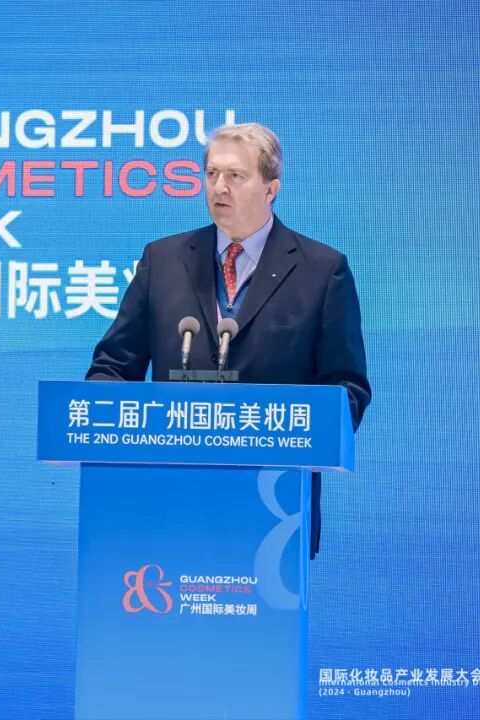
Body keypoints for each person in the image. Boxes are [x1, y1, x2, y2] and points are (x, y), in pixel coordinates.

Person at [86, 122, 371, 558]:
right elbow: (112, 367)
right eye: (212, 174)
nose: (219, 187)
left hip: (273, 511)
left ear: (271, 188)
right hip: (165, 504)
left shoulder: (321, 271)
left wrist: (288, 428)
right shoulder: (163, 261)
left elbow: (347, 389)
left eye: (236, 175)